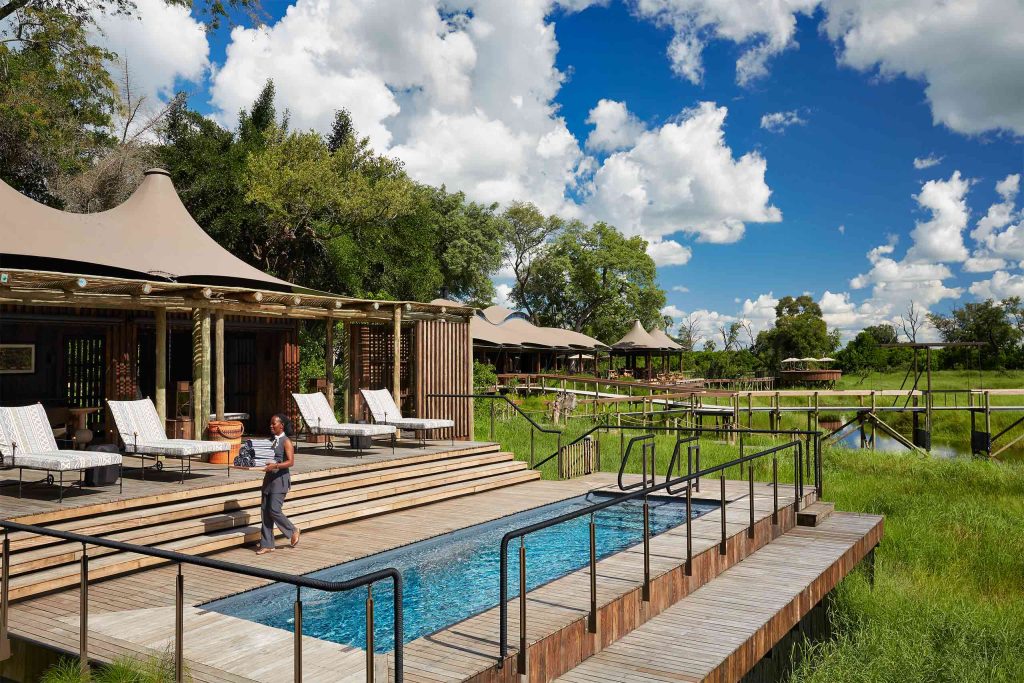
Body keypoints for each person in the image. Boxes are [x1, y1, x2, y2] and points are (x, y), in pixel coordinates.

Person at [256, 413, 300, 555]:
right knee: (265, 512)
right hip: (268, 479)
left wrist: (275, 466)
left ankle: (292, 530)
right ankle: (267, 544)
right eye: (270, 423)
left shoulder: (286, 441)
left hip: (280, 481)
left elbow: (290, 462)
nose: (271, 426)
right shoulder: (271, 441)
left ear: (281, 425)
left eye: (273, 423)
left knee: (274, 509)